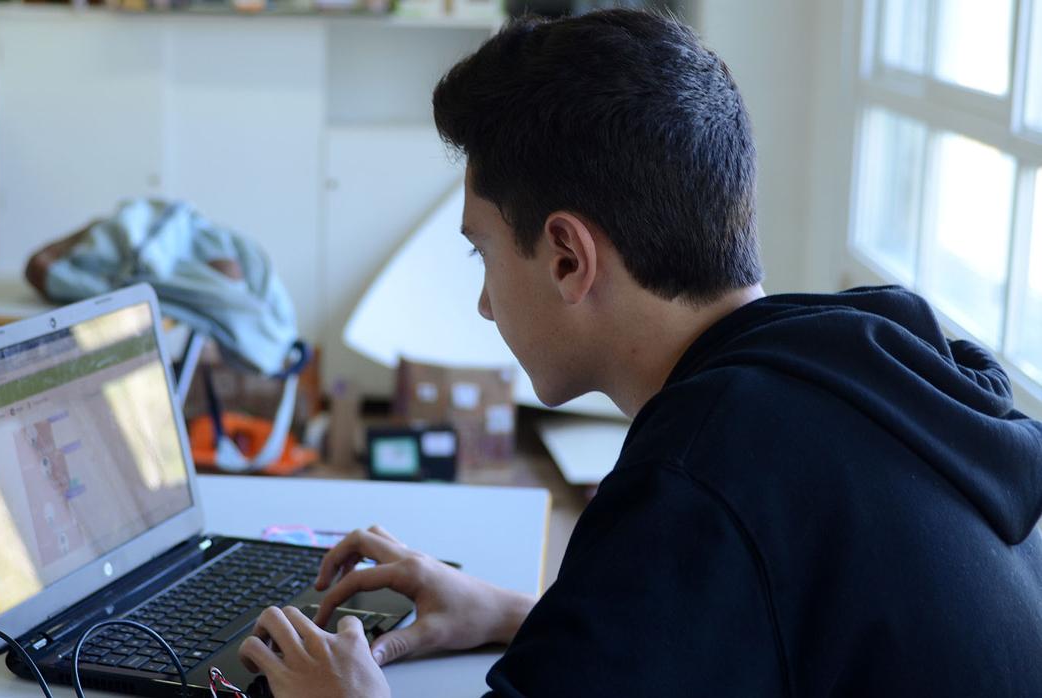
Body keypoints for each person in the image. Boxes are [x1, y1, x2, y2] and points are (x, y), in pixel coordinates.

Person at [236, 9, 1042, 697]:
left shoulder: (699, 472)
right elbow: (744, 635)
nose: (483, 304)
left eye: (481, 255)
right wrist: (517, 615)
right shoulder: (849, 366)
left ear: (566, 258)